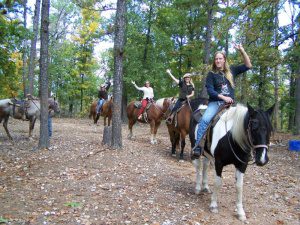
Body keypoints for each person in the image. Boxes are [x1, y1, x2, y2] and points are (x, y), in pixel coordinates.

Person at [192, 43, 252, 158]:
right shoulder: (211, 74)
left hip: (230, 104)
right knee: (204, 120)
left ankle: (245, 149)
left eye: (220, 58)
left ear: (224, 60)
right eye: (216, 59)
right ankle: (198, 146)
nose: (218, 61)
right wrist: (223, 97)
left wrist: (242, 51)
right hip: (215, 103)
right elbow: (210, 91)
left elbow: (248, 66)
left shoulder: (232, 71)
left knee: (244, 121)